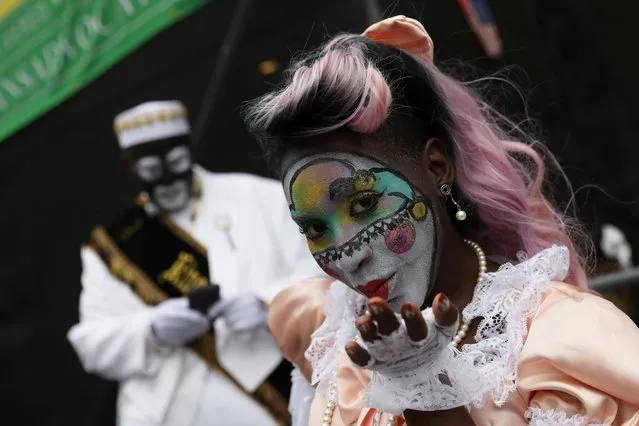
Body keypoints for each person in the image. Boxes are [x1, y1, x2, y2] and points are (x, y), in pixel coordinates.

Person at [243, 16, 639, 426]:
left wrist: (423, 389)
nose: (348, 256)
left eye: (363, 204)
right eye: (314, 228)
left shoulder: (565, 342)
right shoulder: (325, 331)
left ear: (437, 167)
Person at [67, 100, 323, 426]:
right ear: (130, 168)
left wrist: (270, 305)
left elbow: (324, 273)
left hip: (280, 396)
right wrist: (152, 329)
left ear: (189, 149)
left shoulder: (259, 197)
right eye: (150, 169)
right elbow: (91, 344)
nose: (168, 178)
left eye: (175, 161)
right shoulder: (111, 247)